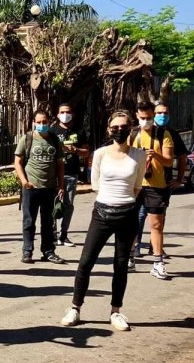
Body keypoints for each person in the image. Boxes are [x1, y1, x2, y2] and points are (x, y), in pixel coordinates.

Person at [60, 111, 146, 332]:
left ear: (131, 128)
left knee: (120, 265)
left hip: (127, 214)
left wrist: (124, 202)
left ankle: (115, 311)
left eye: (124, 126)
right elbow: (95, 183)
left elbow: (137, 186)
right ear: (109, 129)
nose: (119, 130)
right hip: (102, 213)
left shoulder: (138, 155)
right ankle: (75, 307)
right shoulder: (100, 154)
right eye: (115, 127)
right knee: (86, 262)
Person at [14, 109, 66, 265]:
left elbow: (60, 165)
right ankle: (27, 251)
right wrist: (24, 181)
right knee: (29, 221)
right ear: (34, 123)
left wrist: (61, 185)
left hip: (49, 188)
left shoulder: (55, 140)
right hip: (31, 188)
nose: (42, 125)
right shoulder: (28, 138)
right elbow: (18, 161)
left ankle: (48, 251)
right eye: (39, 122)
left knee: (48, 222)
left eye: (45, 122)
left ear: (49, 122)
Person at [130, 101, 174, 279]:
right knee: (131, 223)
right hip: (135, 185)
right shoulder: (132, 133)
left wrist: (155, 154)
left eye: (149, 118)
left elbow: (169, 161)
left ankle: (158, 263)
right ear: (137, 116)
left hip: (156, 185)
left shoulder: (163, 134)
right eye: (142, 118)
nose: (146, 121)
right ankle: (130, 257)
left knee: (156, 225)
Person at [54, 103, 88, 247]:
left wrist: (75, 150)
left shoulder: (79, 131)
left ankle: (63, 234)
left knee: (68, 204)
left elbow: (86, 151)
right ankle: (52, 235)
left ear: (72, 114)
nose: (65, 114)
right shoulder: (52, 131)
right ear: (57, 115)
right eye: (62, 112)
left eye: (67, 112)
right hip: (54, 174)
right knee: (54, 204)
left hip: (72, 173)